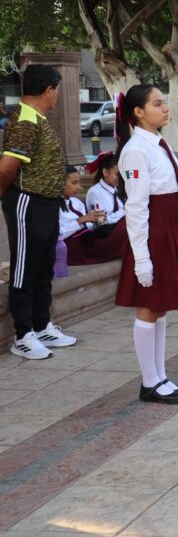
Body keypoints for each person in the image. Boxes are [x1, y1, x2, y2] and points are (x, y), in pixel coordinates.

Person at [115, 83, 178, 404]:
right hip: (154, 234)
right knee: (149, 306)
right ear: (138, 112)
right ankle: (149, 381)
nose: (165, 108)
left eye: (164, 103)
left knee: (161, 306)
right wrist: (142, 258)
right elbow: (136, 206)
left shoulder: (158, 143)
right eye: (157, 104)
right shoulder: (136, 149)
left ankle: (160, 376)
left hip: (169, 231)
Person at [0, 64, 77, 359]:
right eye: (57, 90)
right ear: (48, 90)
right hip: (27, 202)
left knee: (44, 267)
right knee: (25, 269)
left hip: (46, 202)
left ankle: (42, 326)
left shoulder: (36, 118)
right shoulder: (25, 121)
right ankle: (22, 335)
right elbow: (7, 167)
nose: (57, 95)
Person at [82, 151, 178, 287]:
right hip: (110, 237)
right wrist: (127, 211)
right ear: (105, 172)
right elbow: (101, 222)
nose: (120, 178)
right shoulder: (96, 193)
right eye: (116, 174)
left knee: (167, 235)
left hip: (125, 229)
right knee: (157, 236)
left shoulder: (116, 189)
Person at [61, 166, 127, 266]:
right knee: (124, 230)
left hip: (89, 239)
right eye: (74, 183)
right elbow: (56, 234)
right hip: (75, 247)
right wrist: (80, 220)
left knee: (127, 226)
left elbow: (91, 226)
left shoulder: (77, 203)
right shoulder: (53, 207)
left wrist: (96, 221)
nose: (79, 187)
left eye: (78, 183)